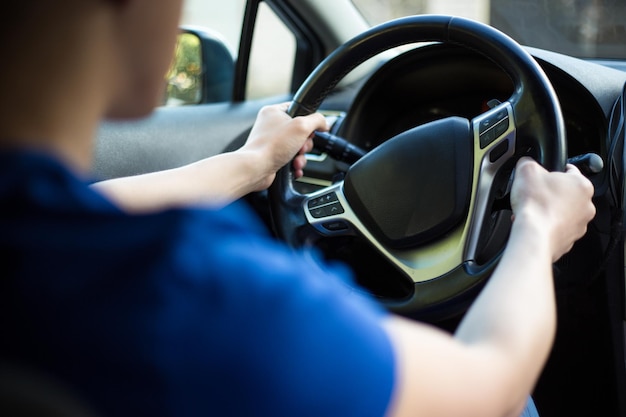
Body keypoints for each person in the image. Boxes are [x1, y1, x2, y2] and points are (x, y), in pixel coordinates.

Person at [0, 1, 596, 417]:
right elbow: (488, 385)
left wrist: (250, 163)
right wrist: (538, 228)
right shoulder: (194, 296)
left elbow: (85, 209)